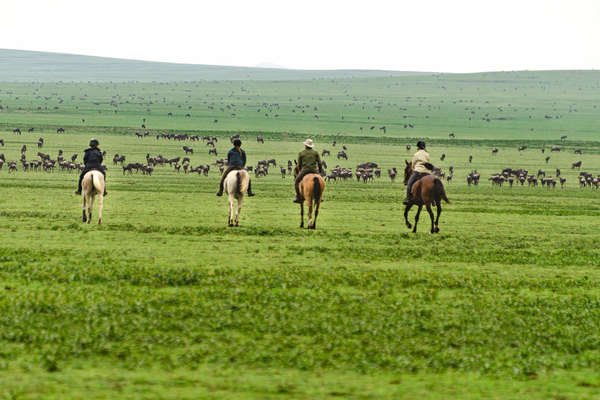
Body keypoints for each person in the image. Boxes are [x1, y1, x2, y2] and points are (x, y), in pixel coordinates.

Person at [403, 140, 434, 205]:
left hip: (418, 172)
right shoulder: (427, 154)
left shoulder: (416, 154)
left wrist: (414, 169)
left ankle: (408, 199)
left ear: (418, 147)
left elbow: (413, 163)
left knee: (409, 184)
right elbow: (428, 162)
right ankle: (433, 199)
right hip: (426, 172)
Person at [293, 139, 323, 203]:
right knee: (321, 182)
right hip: (314, 170)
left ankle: (298, 197)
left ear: (305, 145)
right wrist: (319, 172)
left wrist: (300, 171)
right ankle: (320, 197)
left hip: (304, 171)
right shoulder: (316, 153)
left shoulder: (301, 153)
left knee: (296, 181)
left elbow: (299, 165)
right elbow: (320, 163)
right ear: (311, 146)